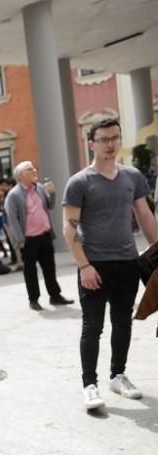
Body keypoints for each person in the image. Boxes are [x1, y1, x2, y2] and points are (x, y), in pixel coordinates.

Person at [63, 118, 158, 411]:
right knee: (92, 326)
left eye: (115, 138)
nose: (111, 144)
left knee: (122, 322)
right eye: (104, 139)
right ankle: (89, 385)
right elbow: (70, 227)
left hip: (127, 262)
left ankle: (118, 375)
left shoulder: (132, 177)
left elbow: (144, 217)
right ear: (91, 143)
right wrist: (84, 266)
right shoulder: (80, 181)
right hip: (94, 265)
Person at [5, 161, 74, 311]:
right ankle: (34, 299)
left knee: (50, 268)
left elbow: (50, 205)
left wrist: (52, 193)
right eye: (30, 169)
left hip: (44, 235)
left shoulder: (40, 188)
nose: (35, 171)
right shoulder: (14, 195)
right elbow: (12, 219)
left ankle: (55, 296)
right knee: (30, 271)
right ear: (21, 175)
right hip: (28, 239)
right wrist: (19, 240)